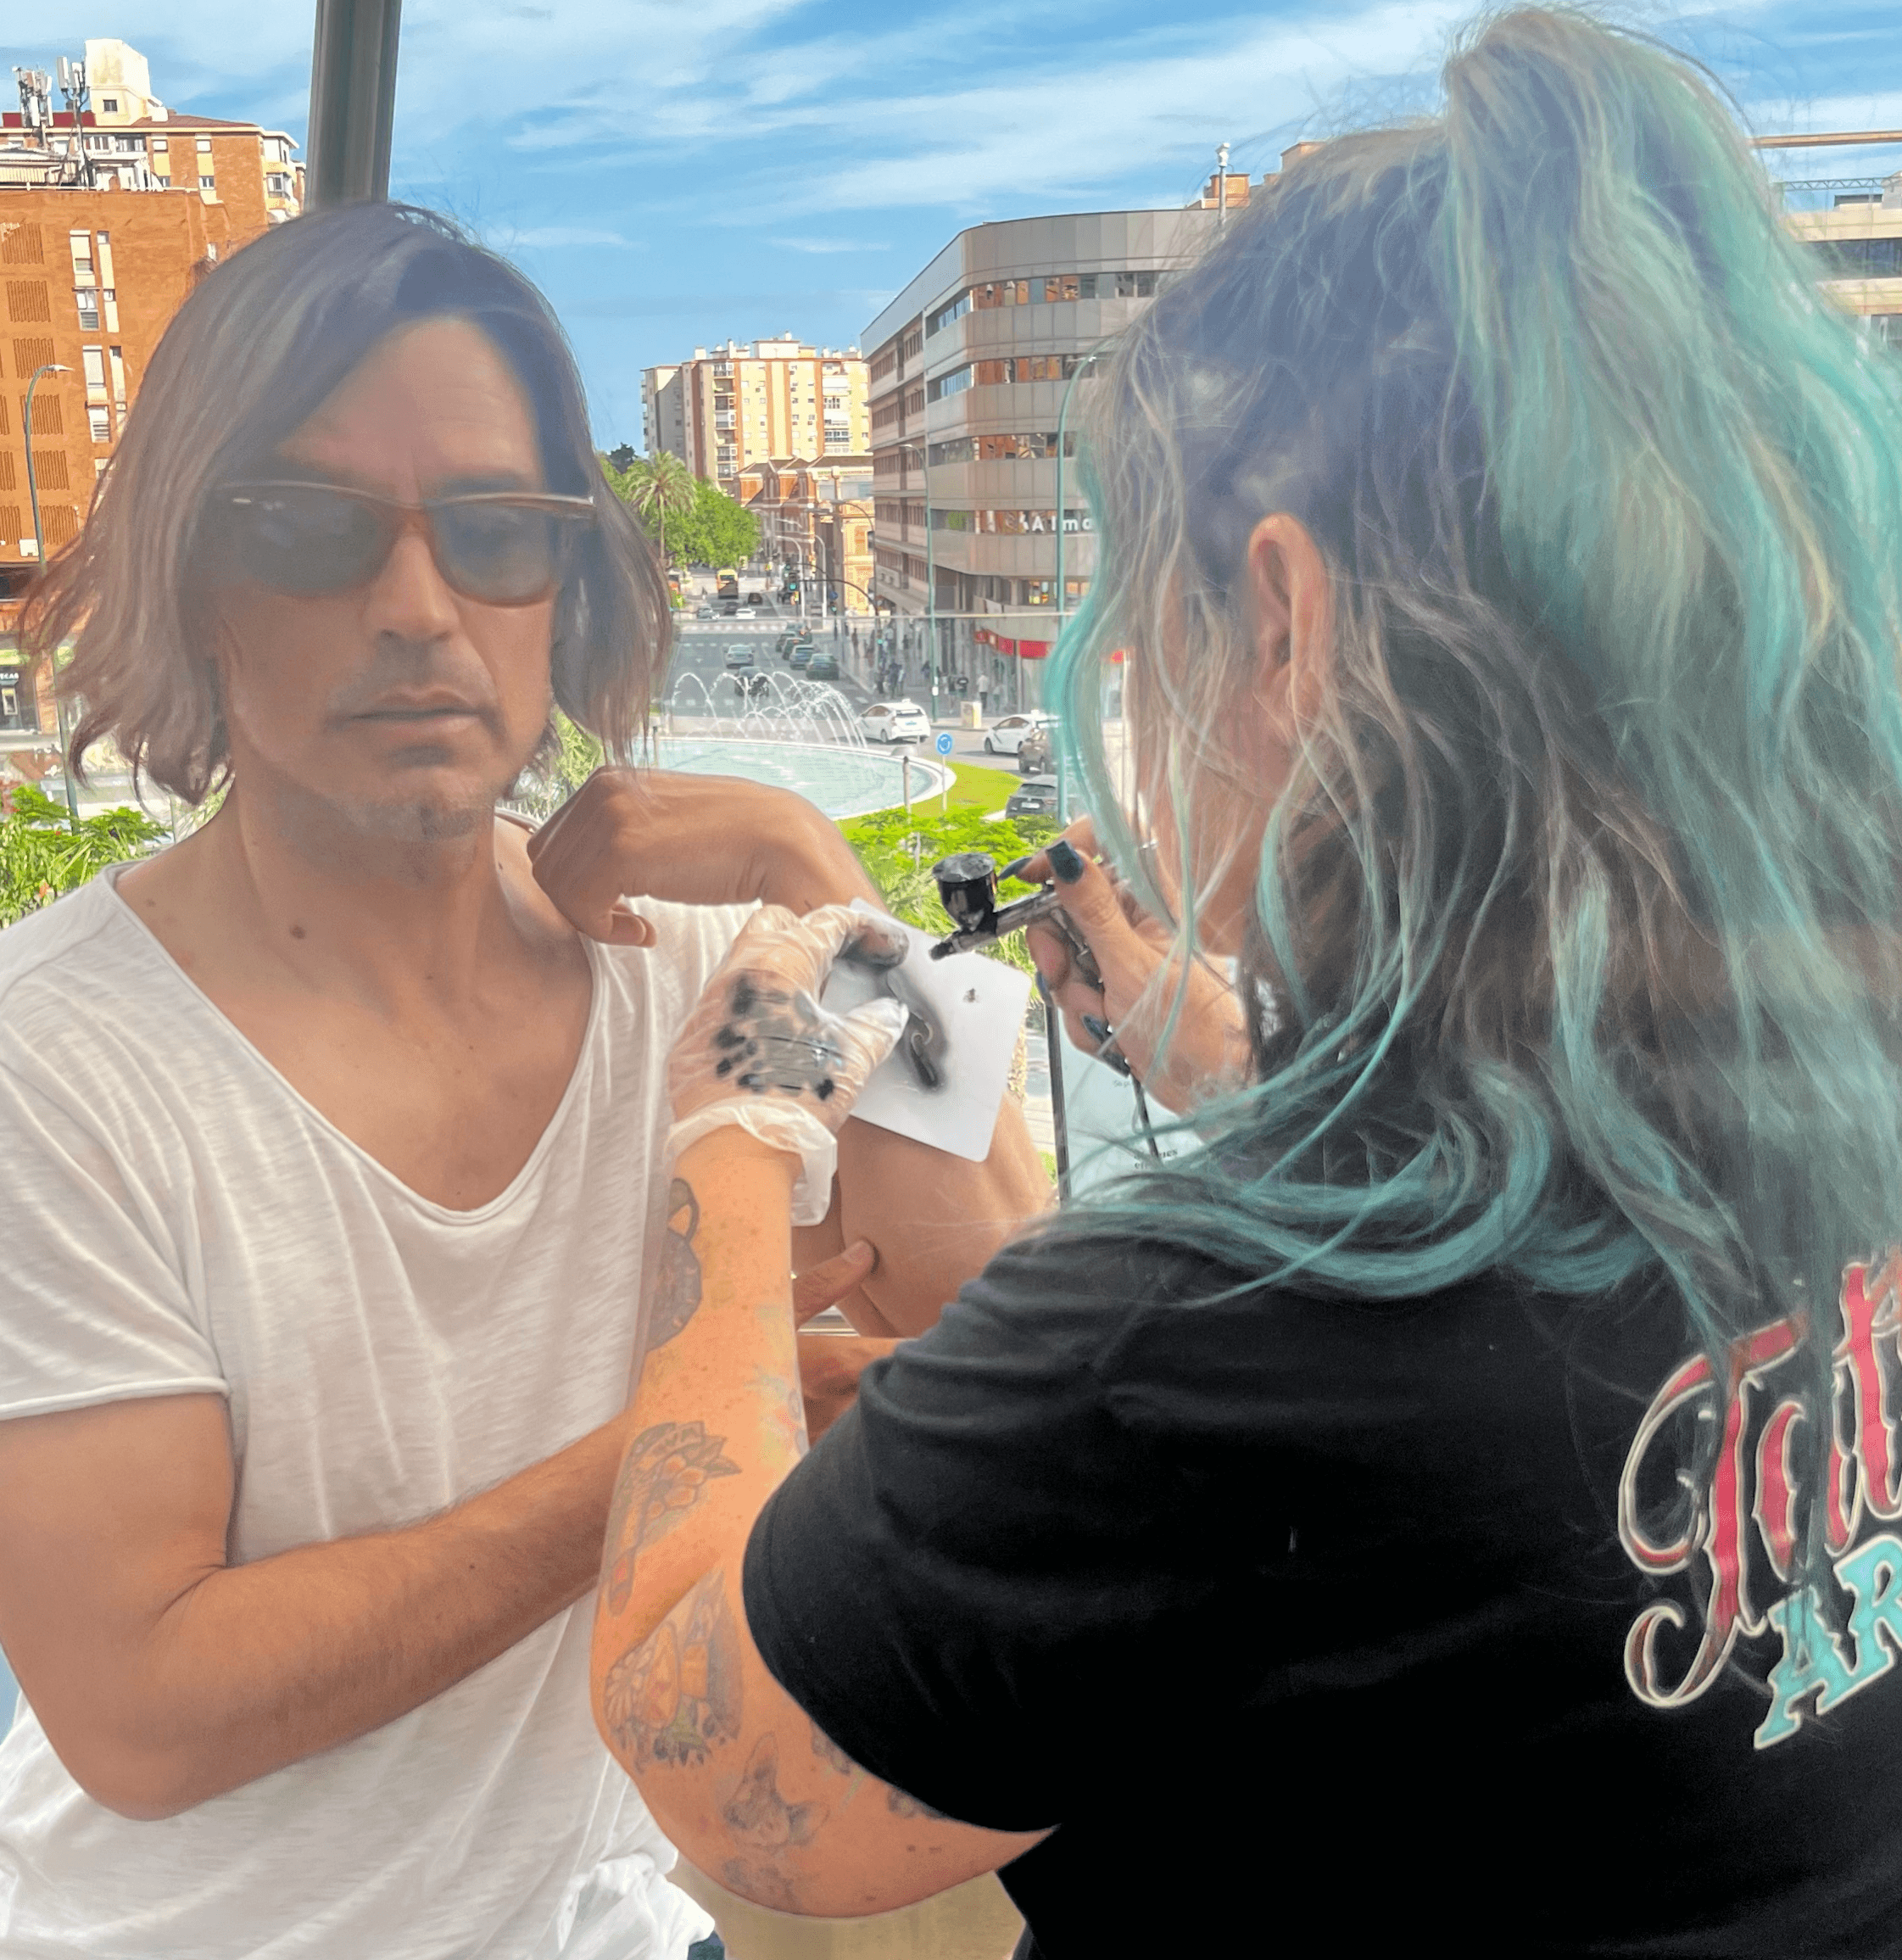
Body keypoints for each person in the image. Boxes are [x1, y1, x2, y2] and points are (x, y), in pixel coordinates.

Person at [588, 12, 1902, 1957]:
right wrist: (846, 897)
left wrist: (732, 1125)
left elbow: (709, 1732)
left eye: (1150, 610)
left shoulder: (1186, 1342)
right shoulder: (1832, 1054)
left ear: (1277, 616)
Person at [0, 203, 1041, 1959]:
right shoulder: (58, 1060)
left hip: (607, 1921)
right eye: (313, 529)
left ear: (564, 588)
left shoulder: (706, 981)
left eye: (493, 529)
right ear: (194, 576)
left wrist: (819, 878)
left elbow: (999, 1329)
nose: (416, 607)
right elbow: (148, 1711)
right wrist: (688, 1434)